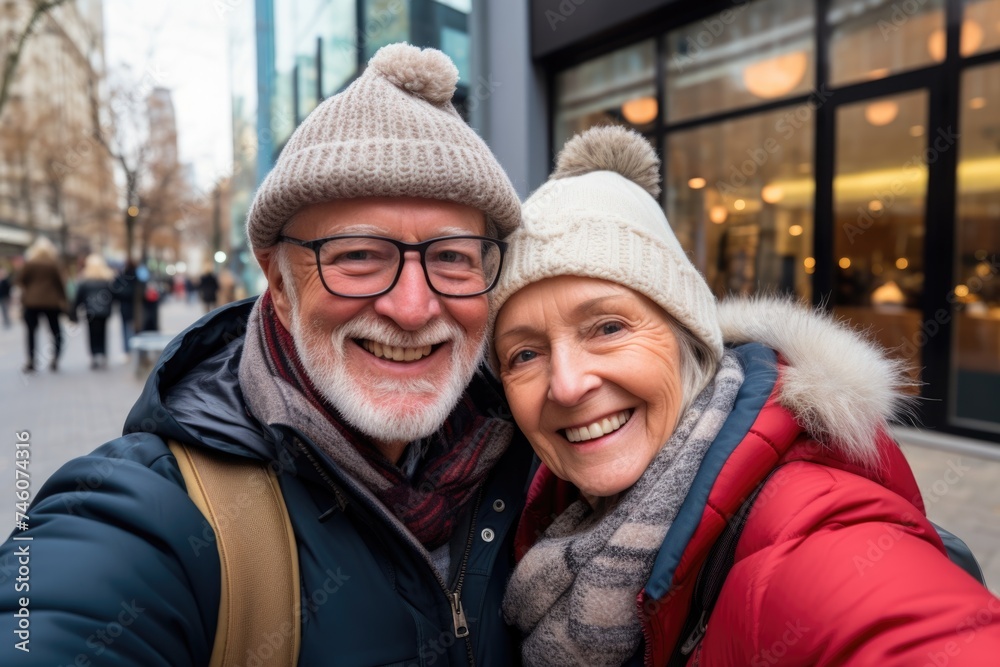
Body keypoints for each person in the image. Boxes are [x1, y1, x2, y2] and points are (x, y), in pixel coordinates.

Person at [0, 43, 530, 666]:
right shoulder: (153, 513)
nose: (412, 308)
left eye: (452, 257)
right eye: (358, 255)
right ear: (279, 285)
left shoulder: (537, 464)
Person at [491, 127, 1000, 665]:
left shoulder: (814, 531)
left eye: (608, 328)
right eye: (524, 355)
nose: (568, 385)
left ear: (690, 340)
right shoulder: (546, 506)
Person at [16, 236, 66, 372]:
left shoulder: (30, 263)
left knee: (31, 332)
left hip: (32, 302)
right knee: (55, 330)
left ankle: (31, 360)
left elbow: (20, 280)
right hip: (52, 302)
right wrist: (65, 301)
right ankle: (55, 357)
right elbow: (61, 283)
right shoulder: (54, 264)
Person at [72, 253, 116, 369]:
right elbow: (113, 296)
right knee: (103, 333)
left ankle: (94, 355)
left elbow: (79, 297)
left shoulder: (85, 280)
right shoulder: (107, 280)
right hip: (104, 311)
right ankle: (102, 353)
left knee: (92, 334)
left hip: (90, 311)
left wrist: (74, 312)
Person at [0, 262, 12, 328]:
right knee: (4, 310)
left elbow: (8, 288)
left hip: (5, 296)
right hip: (2, 296)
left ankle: (7, 321)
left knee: (6, 309)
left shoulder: (5, 281)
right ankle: (6, 321)